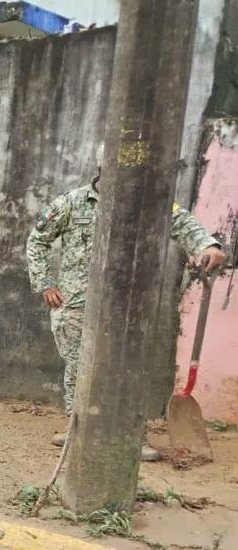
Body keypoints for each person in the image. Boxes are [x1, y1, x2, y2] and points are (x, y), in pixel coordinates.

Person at [26, 151, 225, 459]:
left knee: (128, 369)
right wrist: (45, 284)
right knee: (80, 368)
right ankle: (78, 430)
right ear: (102, 172)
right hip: (77, 305)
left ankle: (130, 437)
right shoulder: (72, 202)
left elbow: (182, 221)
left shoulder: (148, 205)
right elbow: (37, 240)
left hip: (128, 306)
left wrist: (207, 245)